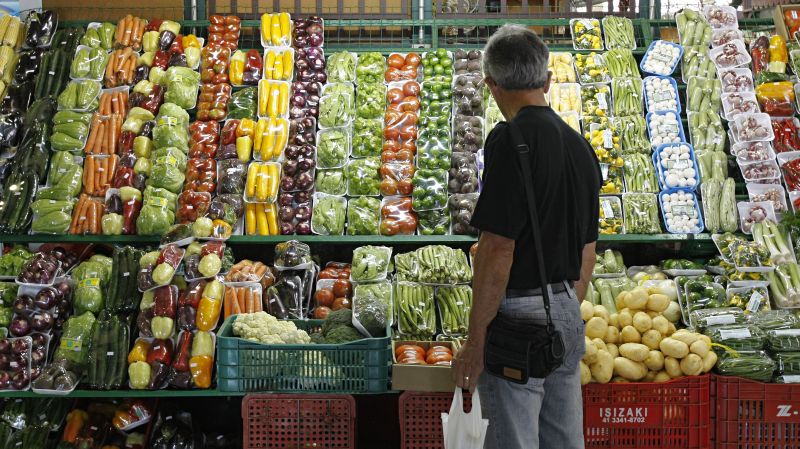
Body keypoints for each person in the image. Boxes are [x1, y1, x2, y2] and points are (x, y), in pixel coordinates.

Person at [451, 24, 601, 449]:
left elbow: (498, 248)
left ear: (491, 86)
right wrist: (561, 307)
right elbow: (588, 251)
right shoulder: (580, 146)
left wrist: (475, 342)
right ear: (547, 81)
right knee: (564, 440)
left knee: (514, 440)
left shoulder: (509, 140)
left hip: (517, 317)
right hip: (567, 307)